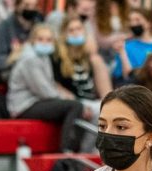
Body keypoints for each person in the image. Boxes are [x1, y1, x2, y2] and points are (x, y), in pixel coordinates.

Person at [7, 24, 90, 153]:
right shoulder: (30, 59)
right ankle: (66, 150)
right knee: (75, 106)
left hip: (36, 101)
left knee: (76, 105)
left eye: (49, 40)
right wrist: (66, 99)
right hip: (24, 106)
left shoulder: (43, 57)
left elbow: (49, 86)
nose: (45, 43)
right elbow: (44, 91)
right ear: (33, 40)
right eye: (41, 39)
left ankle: (73, 149)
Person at [54, 12, 111, 114]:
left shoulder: (90, 56)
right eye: (71, 30)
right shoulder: (58, 57)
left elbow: (105, 91)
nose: (76, 33)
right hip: (75, 104)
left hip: (93, 103)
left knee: (109, 110)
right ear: (64, 34)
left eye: (79, 29)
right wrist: (78, 104)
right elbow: (56, 86)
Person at [110, 8, 152, 80]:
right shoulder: (126, 47)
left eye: (137, 20)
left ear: (149, 23)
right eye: (130, 20)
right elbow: (124, 75)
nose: (133, 24)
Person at [0, 0, 42, 79]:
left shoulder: (39, 25)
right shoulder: (5, 26)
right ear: (17, 6)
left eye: (34, 6)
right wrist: (15, 59)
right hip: (12, 71)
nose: (30, 9)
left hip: (35, 70)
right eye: (26, 5)